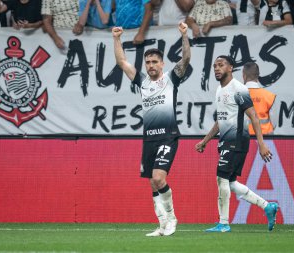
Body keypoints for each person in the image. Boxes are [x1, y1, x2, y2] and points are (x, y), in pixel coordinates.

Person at [112, 22, 191, 236]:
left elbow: (185, 60)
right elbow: (122, 62)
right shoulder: (142, 81)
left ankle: (172, 218)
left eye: (154, 62)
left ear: (162, 64)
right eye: (147, 62)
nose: (150, 66)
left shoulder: (171, 80)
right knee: (152, 184)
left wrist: (184, 35)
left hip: (168, 137)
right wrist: (116, 39)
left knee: (158, 178)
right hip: (148, 139)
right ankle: (162, 224)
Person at [195, 55, 278, 232]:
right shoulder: (219, 90)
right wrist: (205, 140)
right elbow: (220, 120)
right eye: (214, 65)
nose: (217, 68)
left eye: (221, 65)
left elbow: (254, 116)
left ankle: (223, 223)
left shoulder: (238, 89)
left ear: (230, 67)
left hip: (237, 140)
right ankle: (267, 206)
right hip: (226, 140)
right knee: (230, 182)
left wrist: (261, 144)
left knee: (221, 178)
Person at [243, 62, 276, 135]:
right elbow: (274, 123)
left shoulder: (237, 95)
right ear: (257, 76)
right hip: (265, 139)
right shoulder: (269, 96)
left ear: (244, 76)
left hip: (244, 139)